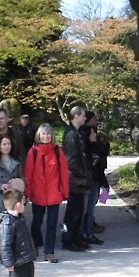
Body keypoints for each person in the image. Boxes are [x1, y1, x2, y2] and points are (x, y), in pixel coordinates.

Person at [23, 122, 68, 262]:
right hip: (38, 193)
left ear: (52, 135)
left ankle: (49, 252)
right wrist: (27, 193)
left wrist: (64, 192)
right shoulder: (33, 152)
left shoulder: (57, 151)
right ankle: (36, 245)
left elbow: (64, 173)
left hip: (54, 192)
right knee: (36, 222)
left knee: (52, 223)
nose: (46, 136)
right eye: (43, 133)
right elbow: (28, 174)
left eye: (48, 133)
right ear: (39, 135)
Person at [0, 188, 36, 277]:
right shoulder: (7, 224)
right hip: (18, 261)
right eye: (24, 202)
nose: (25, 205)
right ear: (18, 205)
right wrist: (8, 263)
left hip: (26, 257)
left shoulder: (19, 219)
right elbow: (4, 246)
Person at [60, 106, 92, 252]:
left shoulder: (76, 133)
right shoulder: (71, 135)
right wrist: (83, 174)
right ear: (77, 116)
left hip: (77, 179)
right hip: (75, 180)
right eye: (83, 115)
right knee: (73, 211)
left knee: (78, 211)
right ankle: (68, 239)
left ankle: (75, 238)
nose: (85, 118)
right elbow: (71, 160)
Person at [82, 118, 109, 245]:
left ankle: (90, 227)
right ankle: (87, 230)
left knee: (100, 196)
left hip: (98, 175)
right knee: (88, 206)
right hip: (91, 178)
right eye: (93, 134)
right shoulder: (87, 149)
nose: (95, 135)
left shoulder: (95, 143)